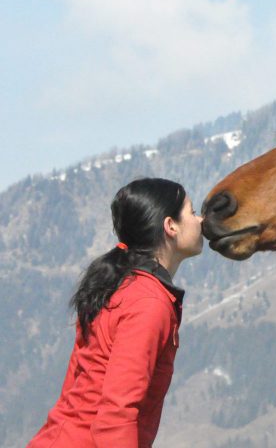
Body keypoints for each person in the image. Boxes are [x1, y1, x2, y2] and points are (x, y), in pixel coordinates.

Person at [28, 177, 203, 448]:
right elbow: (117, 413)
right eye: (191, 212)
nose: (200, 220)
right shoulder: (148, 303)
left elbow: (74, 388)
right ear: (170, 226)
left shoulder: (118, 287)